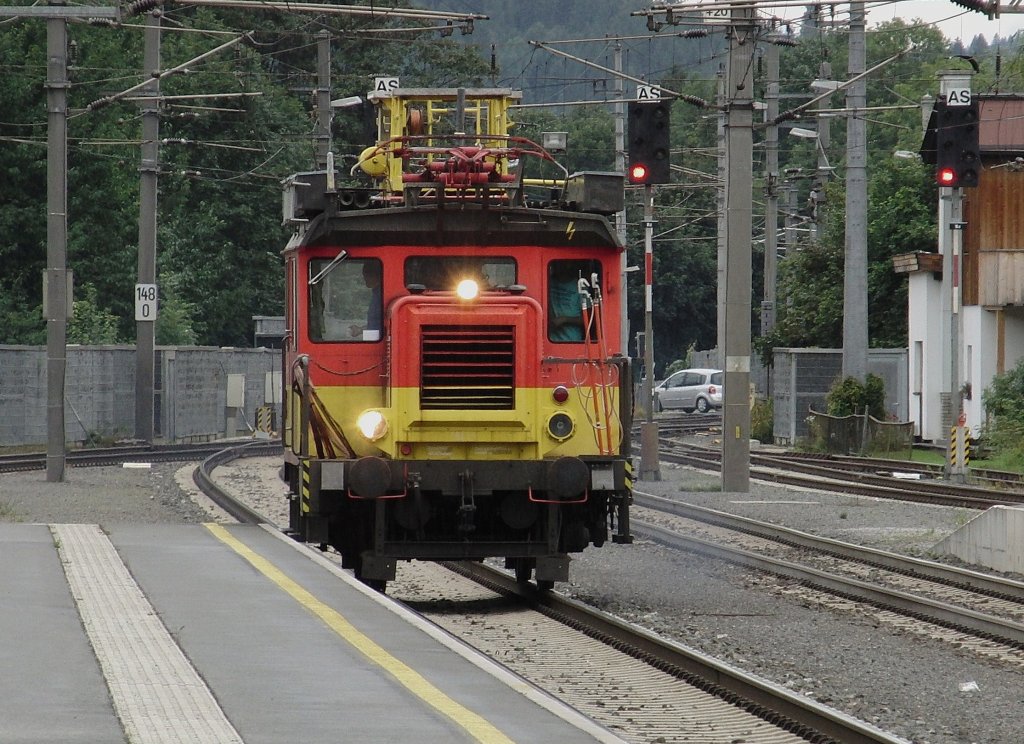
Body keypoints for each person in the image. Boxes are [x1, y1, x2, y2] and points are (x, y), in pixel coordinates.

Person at [548, 262, 588, 342]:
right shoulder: (547, 282)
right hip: (549, 339)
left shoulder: (580, 287)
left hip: (571, 341)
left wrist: (564, 320)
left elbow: (589, 319)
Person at [350, 261, 382, 339]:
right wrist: (360, 330)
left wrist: (362, 331)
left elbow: (382, 327)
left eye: (366, 275)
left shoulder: (381, 295)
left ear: (375, 275)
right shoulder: (376, 294)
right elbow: (377, 323)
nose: (364, 278)